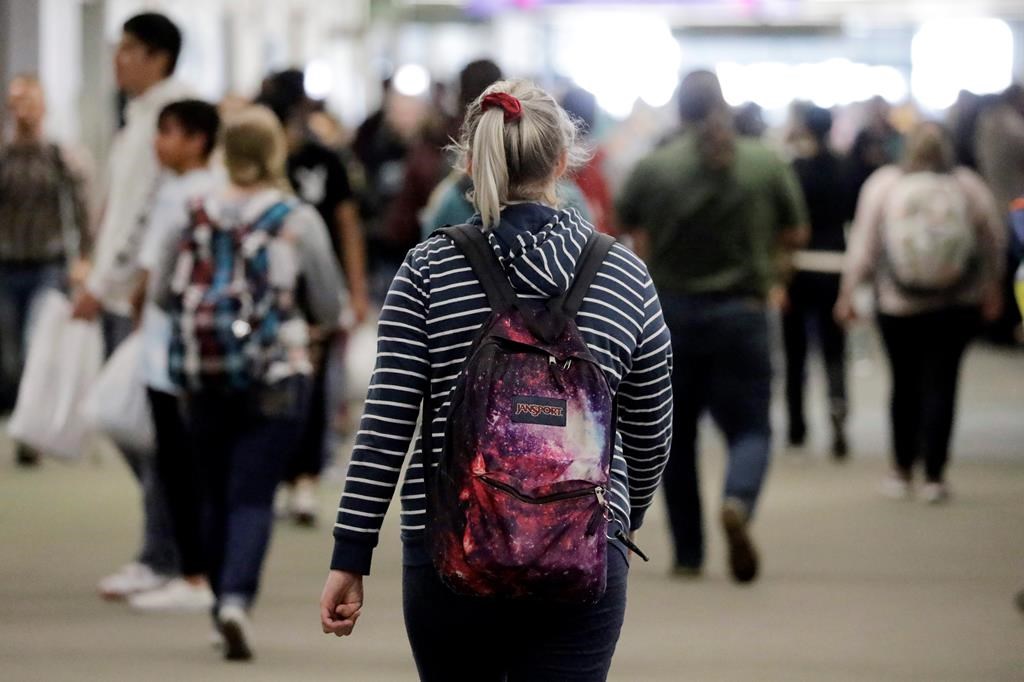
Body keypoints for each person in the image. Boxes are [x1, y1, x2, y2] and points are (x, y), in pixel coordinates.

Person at [321, 80, 673, 682]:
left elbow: (385, 427)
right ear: (562, 163)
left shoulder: (428, 269)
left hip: (448, 550)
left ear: (470, 162)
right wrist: (621, 518)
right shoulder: (622, 273)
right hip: (584, 548)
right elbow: (650, 426)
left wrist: (351, 553)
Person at [157, 105, 345, 660]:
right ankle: (237, 597)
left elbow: (169, 292)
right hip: (277, 372)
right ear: (274, 154)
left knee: (211, 489)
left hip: (205, 370)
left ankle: (220, 602)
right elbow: (329, 299)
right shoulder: (296, 217)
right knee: (252, 494)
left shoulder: (192, 212)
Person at [617, 70, 809, 583]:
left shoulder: (655, 167)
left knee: (673, 437)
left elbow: (624, 230)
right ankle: (738, 502)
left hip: (670, 317)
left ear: (679, 109)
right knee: (750, 427)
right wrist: (775, 277)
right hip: (744, 314)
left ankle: (688, 552)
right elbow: (796, 230)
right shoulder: (764, 162)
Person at [74, 12, 192, 600]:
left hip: (141, 295)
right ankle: (163, 547)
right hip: (119, 287)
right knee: (132, 423)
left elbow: (150, 213)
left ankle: (164, 553)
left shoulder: (168, 120)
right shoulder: (136, 118)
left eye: (127, 50)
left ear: (157, 57)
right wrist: (93, 266)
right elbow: (117, 208)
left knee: (151, 429)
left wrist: (112, 279)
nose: (117, 60)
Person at [835, 122, 1006, 504]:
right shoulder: (968, 185)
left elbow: (865, 246)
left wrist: (848, 293)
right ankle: (935, 474)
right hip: (957, 303)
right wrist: (993, 289)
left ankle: (901, 469)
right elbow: (994, 241)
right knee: (943, 383)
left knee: (904, 384)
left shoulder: (884, 185)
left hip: (898, 304)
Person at [257, 69, 369, 526]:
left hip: (317, 290)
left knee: (312, 385)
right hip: (267, 292)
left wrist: (355, 290)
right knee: (271, 385)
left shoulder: (328, 160)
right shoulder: (260, 165)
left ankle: (305, 478)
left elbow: (347, 225)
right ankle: (278, 478)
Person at [127, 99, 221, 612]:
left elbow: (154, 274)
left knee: (177, 461)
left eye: (167, 133)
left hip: (169, 347)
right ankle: (193, 566)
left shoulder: (182, 197)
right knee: (190, 460)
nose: (157, 143)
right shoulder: (218, 191)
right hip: (202, 347)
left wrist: (138, 306)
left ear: (197, 139)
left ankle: (190, 571)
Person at [0, 74, 92, 465]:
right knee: (10, 356)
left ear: (44, 106)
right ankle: (23, 418)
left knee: (37, 346)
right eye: (16, 101)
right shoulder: (3, 156)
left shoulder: (61, 155)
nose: (23, 109)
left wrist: (85, 257)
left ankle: (32, 433)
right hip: (5, 266)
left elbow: (82, 210)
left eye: (30, 100)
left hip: (48, 267)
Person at [783, 105, 854, 457]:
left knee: (795, 350)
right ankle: (838, 406)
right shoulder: (844, 167)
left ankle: (797, 426)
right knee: (834, 348)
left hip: (797, 267)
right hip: (835, 264)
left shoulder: (794, 169)